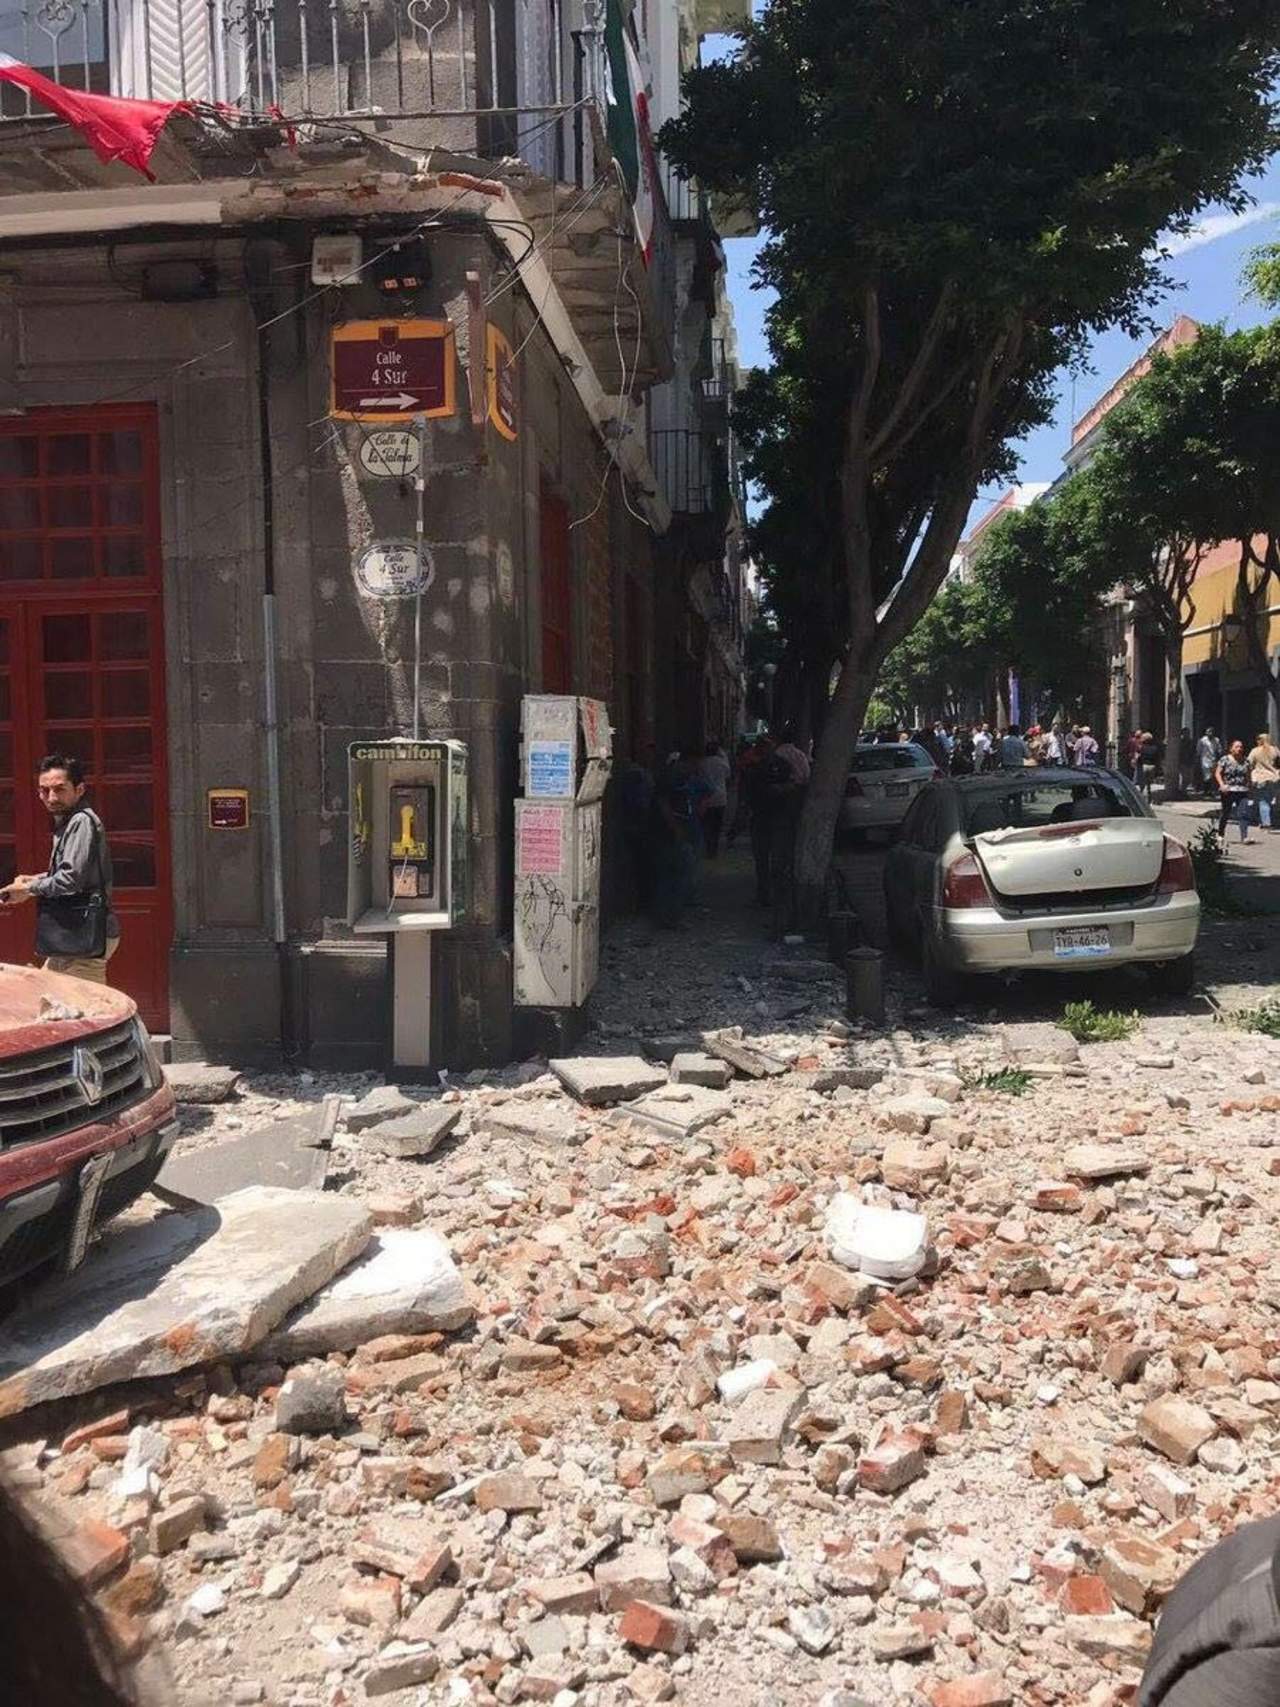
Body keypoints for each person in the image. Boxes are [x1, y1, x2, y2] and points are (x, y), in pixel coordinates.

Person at [0, 755, 119, 983]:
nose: (52, 797)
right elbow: (76, 872)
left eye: (59, 789)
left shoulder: (81, 821)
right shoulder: (70, 821)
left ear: (79, 789)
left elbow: (71, 879)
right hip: (72, 938)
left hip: (85, 938)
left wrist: (29, 889)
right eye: (44, 791)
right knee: (47, 993)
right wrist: (32, 880)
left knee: (81, 1005)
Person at [1214, 739, 1252, 847]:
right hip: (1228, 790)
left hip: (1242, 790)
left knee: (1243, 813)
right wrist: (1222, 785)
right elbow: (1217, 773)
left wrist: (1249, 785)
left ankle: (1244, 836)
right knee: (1226, 812)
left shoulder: (1245, 761)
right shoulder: (1225, 759)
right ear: (1231, 749)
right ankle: (1220, 834)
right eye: (1236, 747)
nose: (1239, 749)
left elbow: (1248, 774)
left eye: (1241, 747)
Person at [697, 741, 732, 858]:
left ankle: (708, 847)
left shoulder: (702, 763)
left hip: (706, 798)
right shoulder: (722, 762)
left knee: (706, 824)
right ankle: (714, 849)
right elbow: (728, 775)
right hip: (721, 798)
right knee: (717, 826)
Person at [1246, 730, 1280, 831]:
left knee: (1263, 801)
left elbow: (1249, 763)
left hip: (1260, 778)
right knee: (1269, 800)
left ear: (1260, 740)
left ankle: (1266, 823)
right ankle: (1264, 820)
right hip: (1273, 778)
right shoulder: (1275, 750)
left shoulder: (1255, 751)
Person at [1196, 727, 1221, 796]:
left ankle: (1211, 791)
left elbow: (1219, 750)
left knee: (1212, 776)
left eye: (1211, 732)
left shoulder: (1216, 740)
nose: (1210, 733)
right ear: (1206, 733)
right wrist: (1198, 759)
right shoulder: (1202, 740)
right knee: (1207, 776)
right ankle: (1206, 791)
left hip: (1213, 760)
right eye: (1208, 732)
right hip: (1204, 760)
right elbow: (1198, 751)